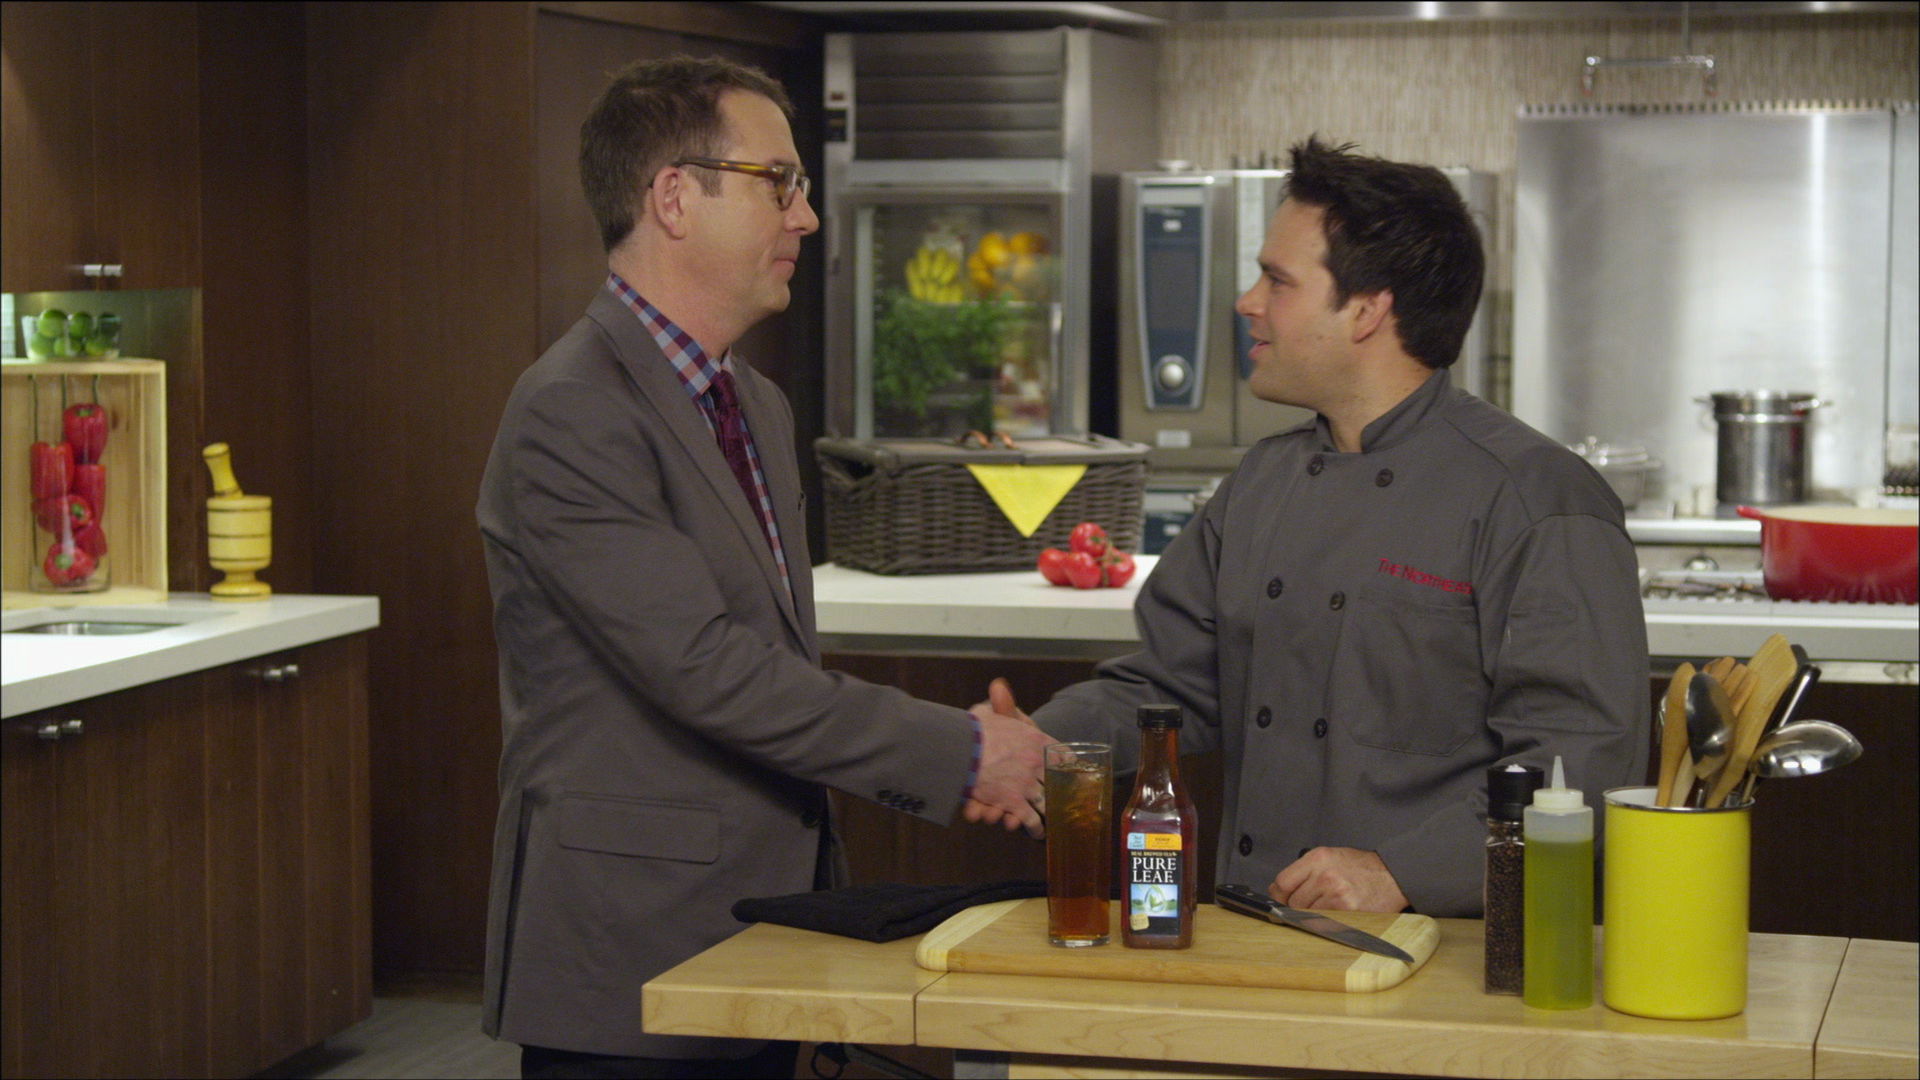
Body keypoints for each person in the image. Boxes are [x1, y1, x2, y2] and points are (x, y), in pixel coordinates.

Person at [476, 56, 1050, 1079]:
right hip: (631, 951)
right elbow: (707, 668)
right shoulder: (573, 410)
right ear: (673, 198)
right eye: (778, 182)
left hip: (762, 928)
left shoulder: (754, 404)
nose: (807, 216)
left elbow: (764, 658)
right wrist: (960, 753)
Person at [986, 136, 1648, 918]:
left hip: (1445, 947)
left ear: (1367, 311)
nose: (1247, 303)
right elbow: (1173, 684)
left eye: (1277, 280)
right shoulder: (1261, 481)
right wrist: (1045, 743)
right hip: (1256, 931)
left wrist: (1403, 873)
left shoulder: (1537, 498)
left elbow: (1581, 764)